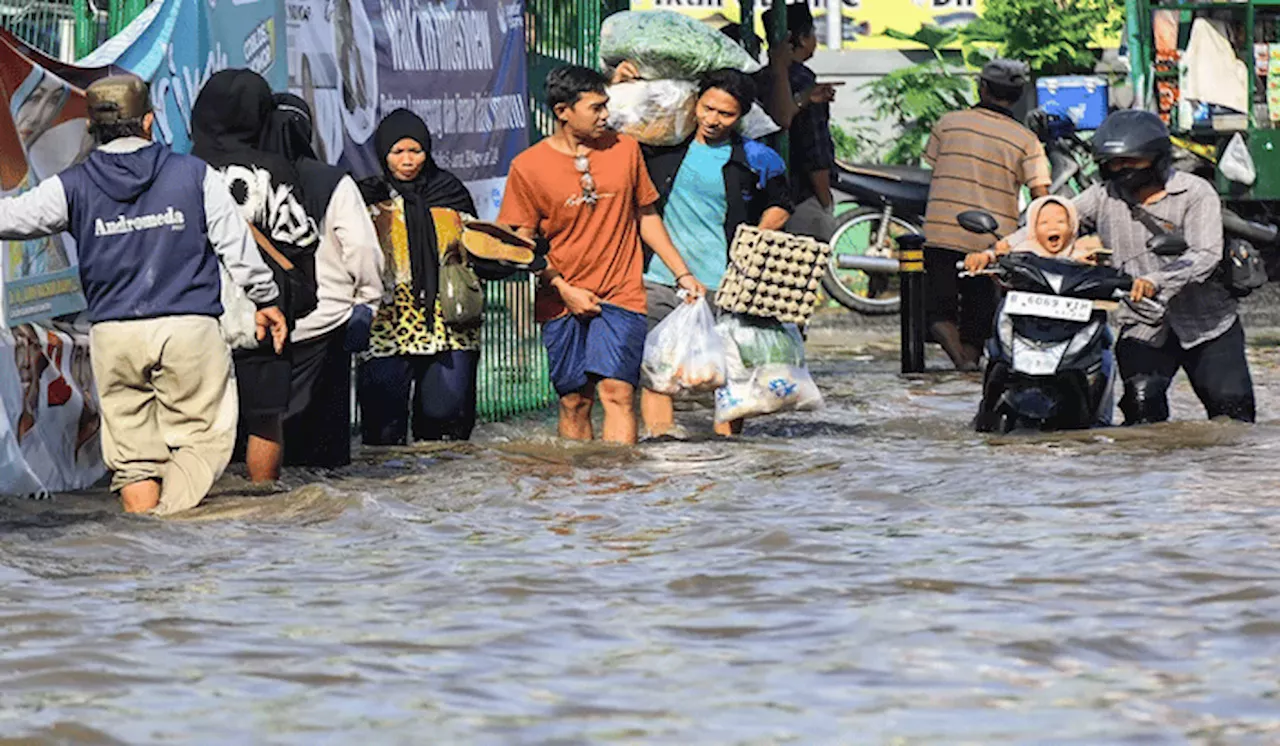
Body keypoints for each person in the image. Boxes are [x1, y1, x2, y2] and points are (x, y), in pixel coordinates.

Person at [0, 74, 286, 514]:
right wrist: (265, 299)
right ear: (149, 122)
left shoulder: (71, 185)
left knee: (132, 461)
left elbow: (12, 218)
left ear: (92, 129)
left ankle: (147, 553)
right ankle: (177, 537)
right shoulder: (195, 174)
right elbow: (236, 247)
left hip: (114, 335)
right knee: (199, 440)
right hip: (189, 329)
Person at [1001, 109, 1254, 424]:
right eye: (1113, 163)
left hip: (1206, 322)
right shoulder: (1104, 195)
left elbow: (1205, 254)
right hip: (1142, 322)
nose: (1121, 170)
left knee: (1233, 416)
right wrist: (999, 249)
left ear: (1157, 159)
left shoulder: (1195, 193)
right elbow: (1054, 223)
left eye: (1130, 162)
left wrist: (1156, 280)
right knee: (1140, 410)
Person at [499, 65, 706, 445]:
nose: (605, 115)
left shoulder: (625, 149)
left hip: (622, 293)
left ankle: (619, 492)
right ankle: (579, 492)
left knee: (618, 392)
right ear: (563, 111)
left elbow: (646, 215)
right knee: (575, 400)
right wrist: (562, 288)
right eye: (595, 108)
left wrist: (682, 273)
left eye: (605, 105)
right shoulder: (527, 167)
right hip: (562, 299)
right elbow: (521, 244)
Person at [638, 69, 792, 438]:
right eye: (707, 109)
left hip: (727, 285)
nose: (712, 120)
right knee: (659, 372)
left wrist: (755, 238)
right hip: (661, 277)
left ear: (741, 116)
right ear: (694, 102)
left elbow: (781, 204)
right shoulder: (661, 147)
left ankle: (726, 455)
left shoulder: (757, 158)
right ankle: (662, 447)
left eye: (726, 114)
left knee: (729, 376)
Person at [191, 69, 322, 484]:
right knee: (265, 417)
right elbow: (301, 237)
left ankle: (195, 504)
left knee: (195, 417)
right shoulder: (273, 169)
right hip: (263, 313)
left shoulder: (184, 169)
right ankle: (263, 505)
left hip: (195, 310)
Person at [260, 93, 384, 467]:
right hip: (325, 324)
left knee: (264, 433)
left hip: (261, 326)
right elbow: (362, 248)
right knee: (323, 450)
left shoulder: (243, 180)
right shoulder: (332, 181)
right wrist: (367, 300)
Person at [356, 108, 482, 444]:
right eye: (398, 152)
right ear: (384, 154)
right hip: (386, 326)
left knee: (445, 427)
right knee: (383, 433)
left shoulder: (450, 192)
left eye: (416, 151)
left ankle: (442, 494)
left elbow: (478, 247)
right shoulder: (367, 197)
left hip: (448, 327)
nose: (408, 160)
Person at [922, 58, 1051, 371]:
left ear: (981, 88)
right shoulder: (1026, 140)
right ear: (1019, 95)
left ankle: (962, 362)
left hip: (941, 232)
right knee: (980, 315)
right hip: (992, 243)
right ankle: (967, 364)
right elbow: (1042, 199)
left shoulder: (948, 123)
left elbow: (932, 163)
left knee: (939, 311)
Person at [761, 1, 840, 243]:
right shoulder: (804, 82)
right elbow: (815, 151)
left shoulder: (761, 77)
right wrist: (825, 200)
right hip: (801, 196)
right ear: (803, 38)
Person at [964, 195, 1100, 271]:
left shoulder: (1080, 254)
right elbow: (1001, 253)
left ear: (1073, 227)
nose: (1053, 227)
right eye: (1044, 223)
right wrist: (988, 257)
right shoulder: (1021, 251)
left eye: (1060, 222)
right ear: (1033, 229)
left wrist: (1085, 266)